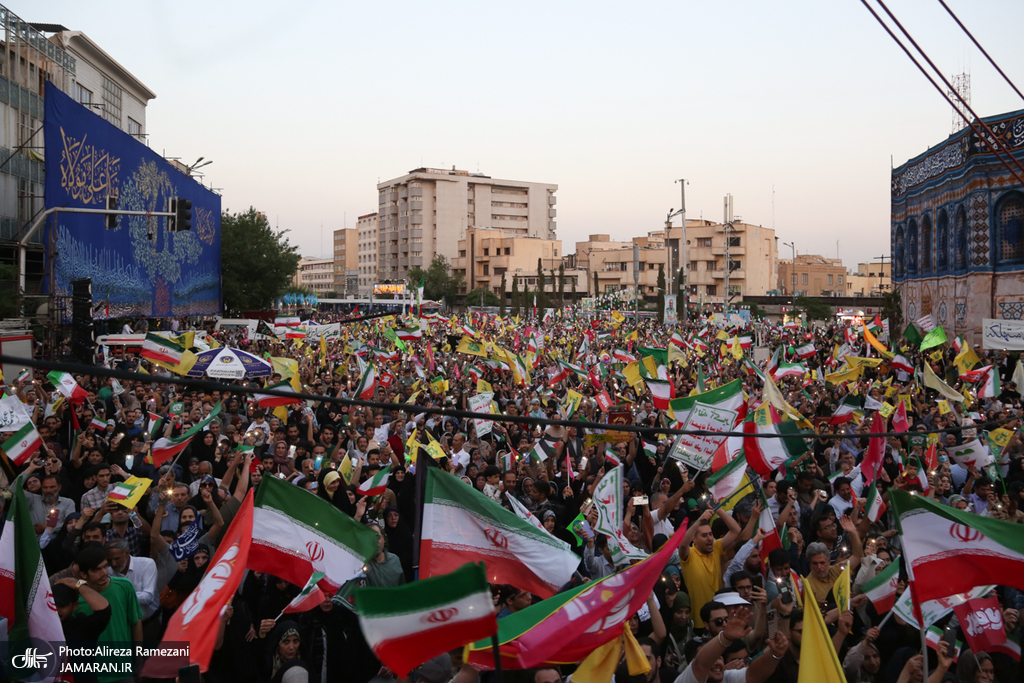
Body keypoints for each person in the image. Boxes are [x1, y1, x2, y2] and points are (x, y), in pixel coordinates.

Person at [680, 507, 743, 628]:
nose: (709, 538)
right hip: (699, 622)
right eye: (704, 535)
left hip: (719, 619)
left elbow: (736, 530)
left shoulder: (716, 548)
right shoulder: (689, 554)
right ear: (694, 539)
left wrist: (718, 509)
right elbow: (683, 544)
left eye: (710, 534)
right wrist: (700, 519)